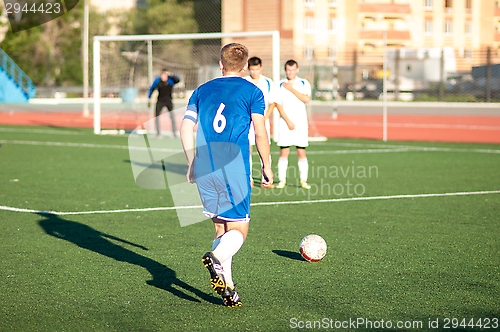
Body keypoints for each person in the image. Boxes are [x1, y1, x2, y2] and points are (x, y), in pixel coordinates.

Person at [180, 43, 273, 307]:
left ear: (220, 64)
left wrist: (191, 162)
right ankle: (217, 257)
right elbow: (260, 132)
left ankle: (228, 289)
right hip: (233, 166)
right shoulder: (253, 91)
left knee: (221, 225)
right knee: (240, 228)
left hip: (206, 164)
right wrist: (267, 165)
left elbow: (186, 129)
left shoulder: (201, 90)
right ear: (244, 67)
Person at [243, 57, 295, 188]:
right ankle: (248, 178)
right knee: (247, 149)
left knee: (265, 148)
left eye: (257, 69)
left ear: (261, 68)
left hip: (262, 120)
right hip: (246, 121)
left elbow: (273, 102)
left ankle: (265, 178)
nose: (254, 72)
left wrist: (265, 117)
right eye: (252, 69)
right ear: (249, 69)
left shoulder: (268, 82)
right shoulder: (244, 82)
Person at [275, 59, 312, 190]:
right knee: (284, 151)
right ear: (285, 70)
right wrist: (288, 121)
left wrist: (291, 89)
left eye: (293, 69)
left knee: (301, 151)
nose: (290, 72)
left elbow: (306, 99)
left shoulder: (303, 83)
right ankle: (281, 180)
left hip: (300, 124)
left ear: (297, 70)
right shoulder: (279, 84)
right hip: (285, 123)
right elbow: (277, 104)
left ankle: (303, 180)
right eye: (288, 70)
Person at [147, 69, 180, 138]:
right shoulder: (158, 81)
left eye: (165, 75)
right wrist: (149, 98)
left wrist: (171, 74)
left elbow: (178, 80)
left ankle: (174, 133)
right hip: (160, 101)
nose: (163, 77)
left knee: (172, 117)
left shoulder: (170, 80)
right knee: (157, 116)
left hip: (168, 101)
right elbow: (152, 88)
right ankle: (158, 133)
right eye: (162, 75)